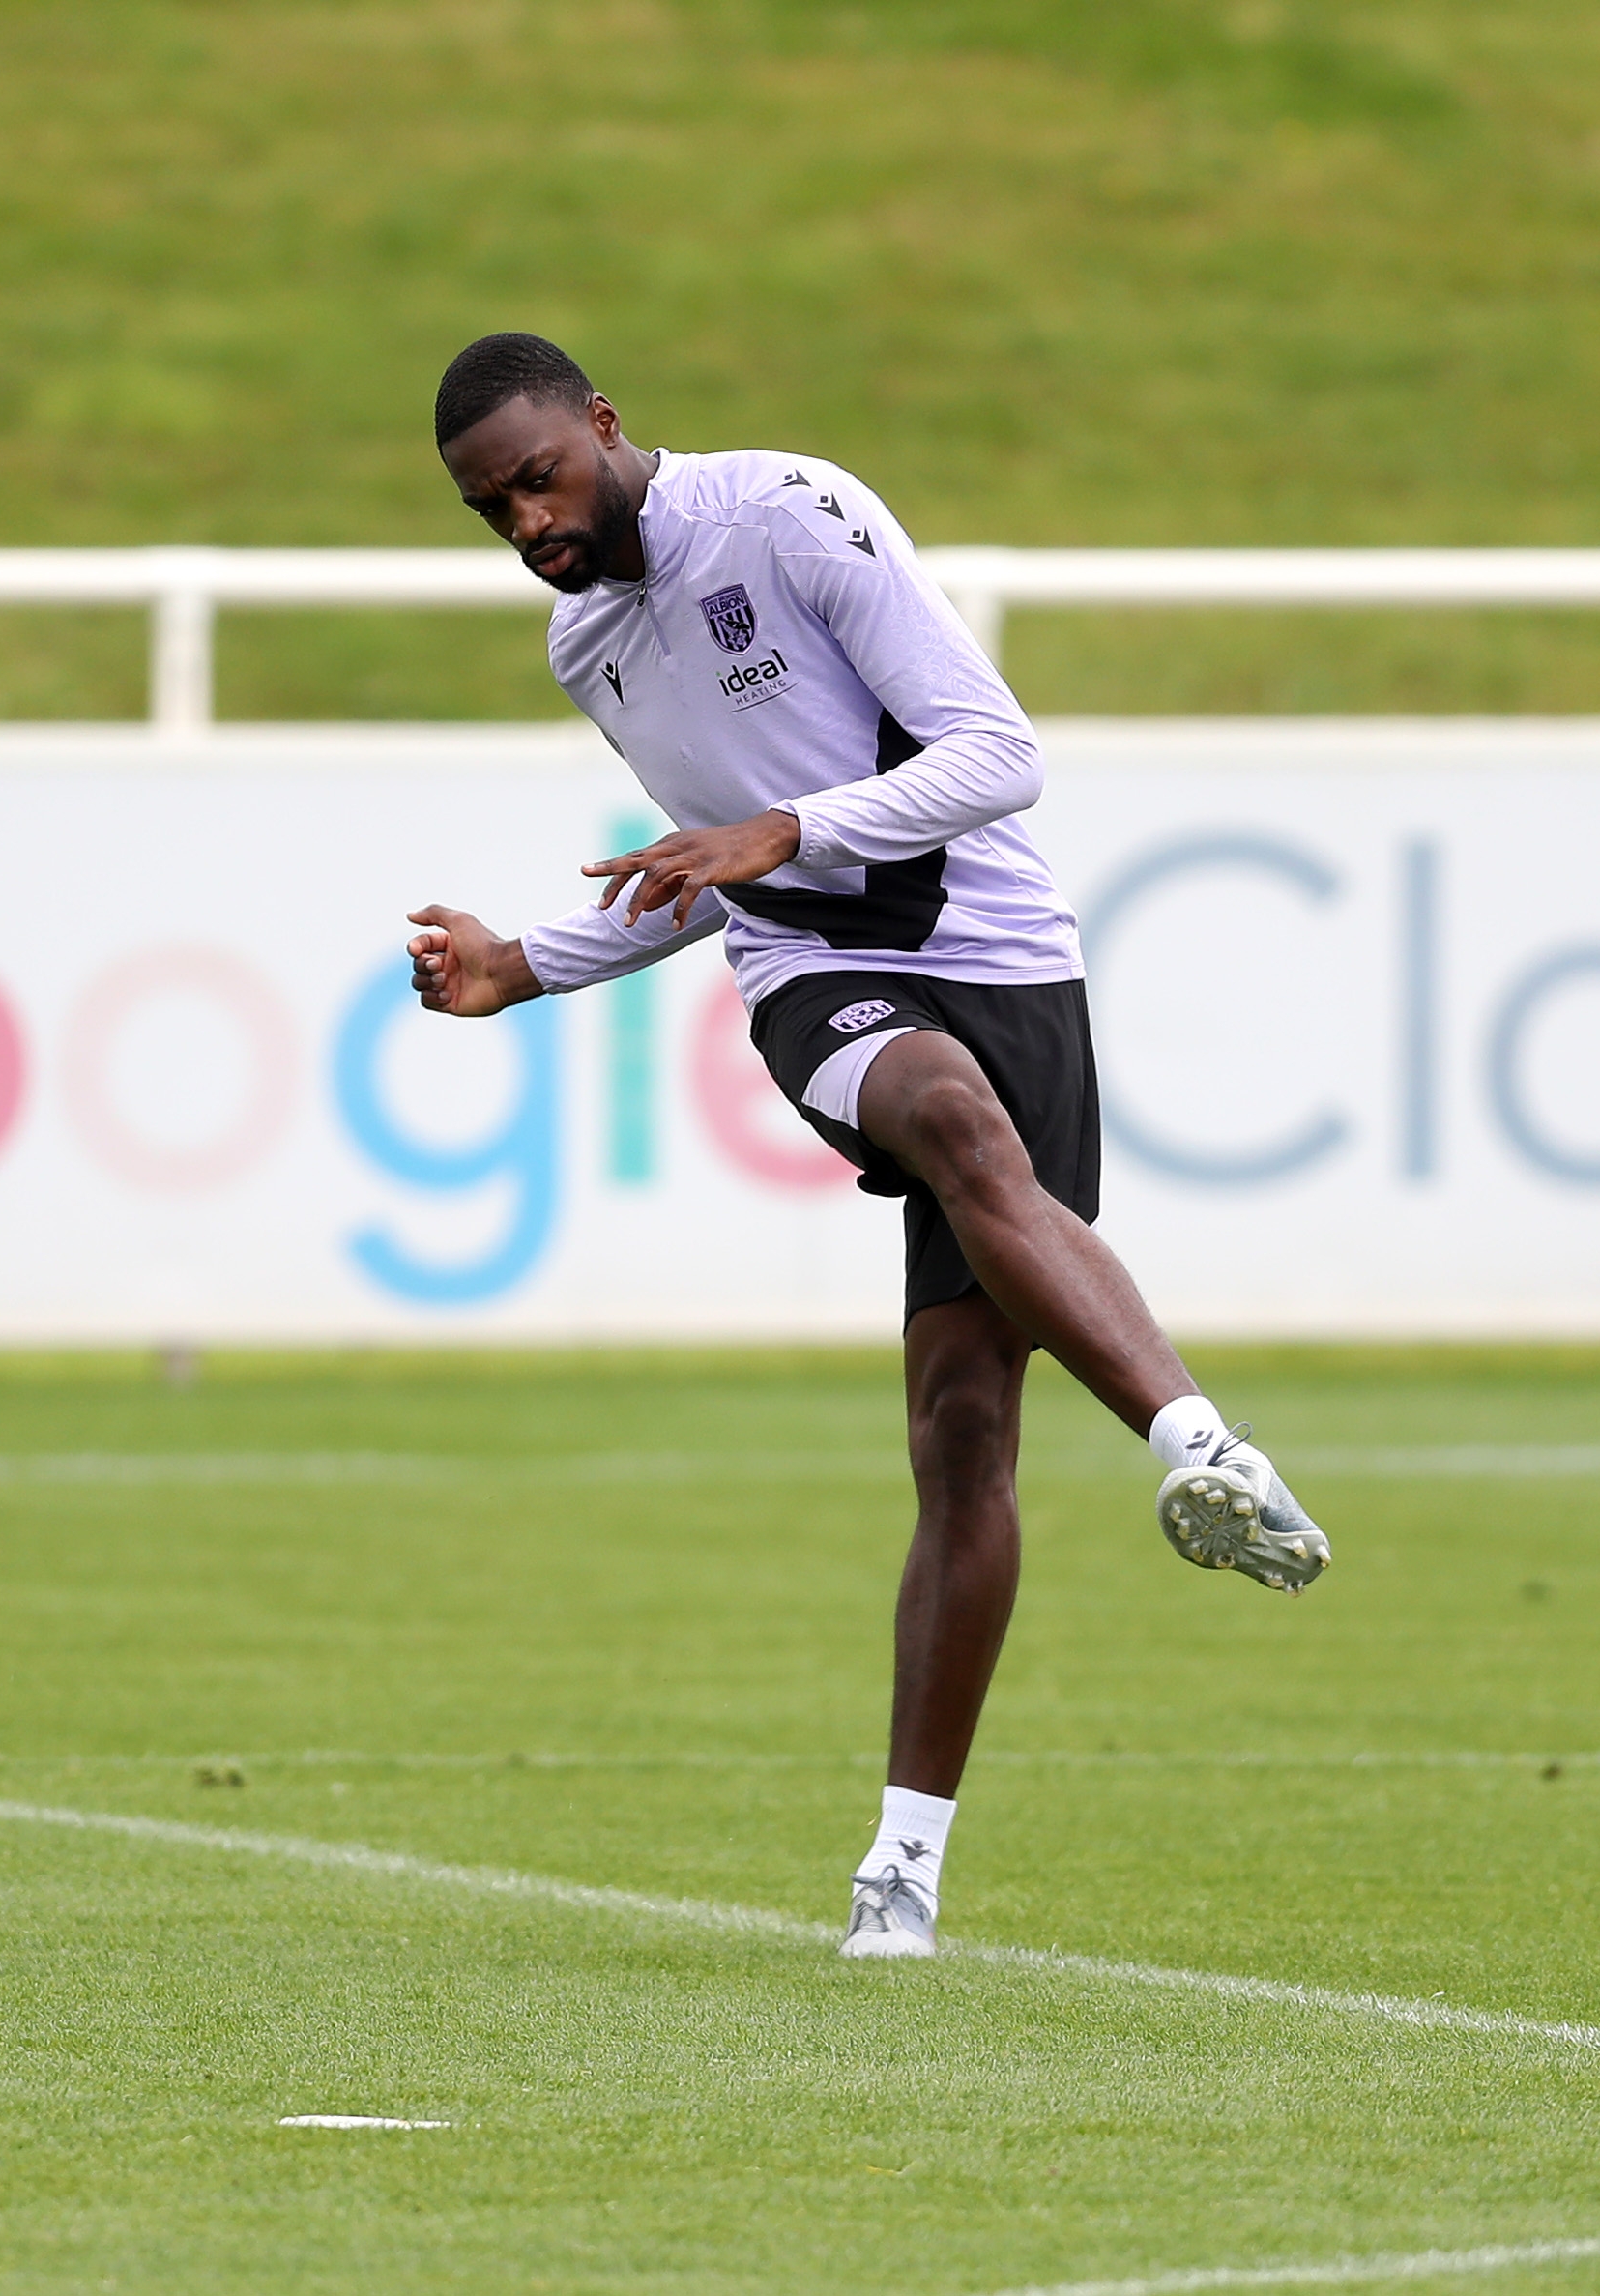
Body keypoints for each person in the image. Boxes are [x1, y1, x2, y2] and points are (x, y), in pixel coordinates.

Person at [407, 334, 1329, 1960]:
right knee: (948, 1123)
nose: (529, 526)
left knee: (966, 1426)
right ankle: (1196, 1450)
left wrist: (796, 827)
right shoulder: (587, 646)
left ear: (606, 425)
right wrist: (524, 962)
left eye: (539, 477)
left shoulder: (790, 515)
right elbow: (708, 876)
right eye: (490, 511)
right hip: (816, 976)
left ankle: (905, 1859)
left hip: (1006, 959)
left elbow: (1000, 757)